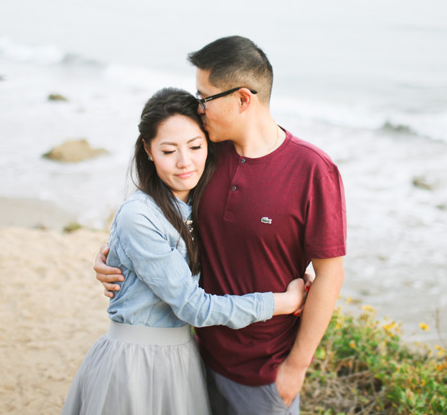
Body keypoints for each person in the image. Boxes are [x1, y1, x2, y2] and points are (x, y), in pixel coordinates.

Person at [95, 37, 347, 415]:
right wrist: (113, 257)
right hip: (196, 357)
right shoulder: (205, 156)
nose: (199, 108)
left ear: (243, 99)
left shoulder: (311, 170)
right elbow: (162, 222)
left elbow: (330, 275)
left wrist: (296, 367)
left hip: (264, 372)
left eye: (205, 97)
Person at [62, 87, 306, 415]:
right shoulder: (140, 214)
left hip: (183, 357)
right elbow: (193, 306)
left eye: (195, 146)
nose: (184, 163)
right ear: (148, 150)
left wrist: (302, 262)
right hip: (135, 362)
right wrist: (283, 302)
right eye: (168, 151)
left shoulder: (200, 204)